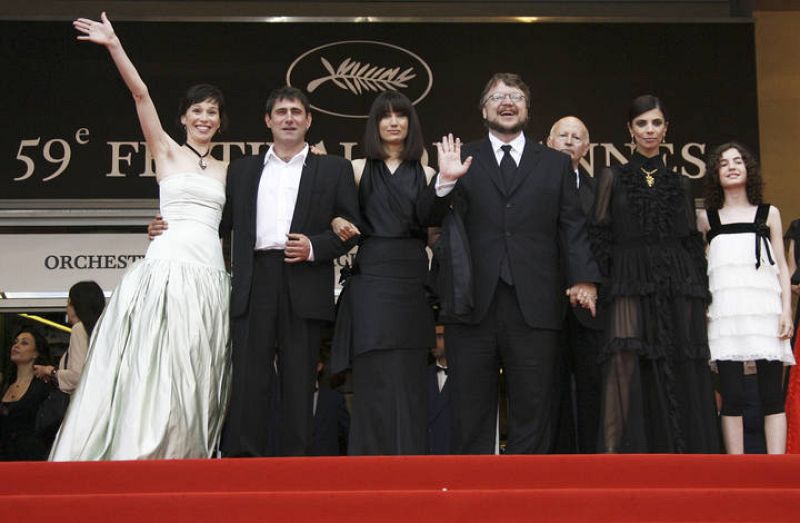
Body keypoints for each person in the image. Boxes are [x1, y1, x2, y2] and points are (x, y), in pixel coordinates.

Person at [50, 13, 231, 460]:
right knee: (153, 363)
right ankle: (136, 448)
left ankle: (185, 452)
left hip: (210, 273)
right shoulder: (165, 149)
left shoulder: (231, 171)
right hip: (167, 268)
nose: (204, 118)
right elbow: (140, 93)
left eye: (211, 112)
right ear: (183, 118)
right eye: (196, 111)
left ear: (220, 121)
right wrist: (114, 45)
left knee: (197, 366)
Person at [433, 73, 601, 454]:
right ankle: (474, 496)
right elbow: (427, 216)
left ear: (527, 109)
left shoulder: (555, 164)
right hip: (472, 302)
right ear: (484, 108)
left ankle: (528, 495)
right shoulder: (460, 157)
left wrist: (584, 279)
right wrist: (444, 182)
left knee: (535, 406)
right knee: (471, 406)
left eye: (516, 96)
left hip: (536, 303)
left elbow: (571, 227)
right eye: (497, 96)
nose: (507, 102)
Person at [215, 86, 359, 457]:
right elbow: (221, 225)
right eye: (281, 112)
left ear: (309, 120)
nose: (289, 118)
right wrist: (169, 222)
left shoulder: (334, 168)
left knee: (299, 379)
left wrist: (315, 247)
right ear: (268, 120)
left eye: (297, 112)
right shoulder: (243, 169)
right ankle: (244, 461)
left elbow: (352, 228)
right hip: (254, 278)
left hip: (304, 276)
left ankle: (296, 464)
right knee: (249, 377)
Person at [590, 95, 719, 453]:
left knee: (679, 359)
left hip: (678, 283)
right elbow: (599, 233)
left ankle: (684, 454)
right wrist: (612, 280)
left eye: (656, 123)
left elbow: (690, 240)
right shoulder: (611, 177)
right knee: (624, 360)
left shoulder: (679, 183)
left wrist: (700, 289)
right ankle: (614, 457)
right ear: (630, 130)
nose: (649, 130)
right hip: (628, 279)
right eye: (642, 124)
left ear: (666, 129)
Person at [330, 90, 438, 455]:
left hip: (412, 278)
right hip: (372, 275)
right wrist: (335, 218)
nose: (393, 122)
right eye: (385, 116)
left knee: (409, 377)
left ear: (411, 123)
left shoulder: (428, 173)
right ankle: (368, 464)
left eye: (401, 115)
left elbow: (436, 233)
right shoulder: (357, 169)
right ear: (375, 124)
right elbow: (338, 217)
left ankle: (411, 463)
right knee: (372, 374)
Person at [698, 142, 794, 454]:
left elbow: (781, 265)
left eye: (737, 161)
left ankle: (776, 467)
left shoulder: (770, 214)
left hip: (765, 310)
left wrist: (786, 313)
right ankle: (736, 469)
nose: (731, 166)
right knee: (733, 395)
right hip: (725, 314)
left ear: (748, 168)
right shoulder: (706, 219)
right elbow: (701, 269)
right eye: (723, 163)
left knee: (771, 396)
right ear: (715, 173)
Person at [546, 116, 604, 453]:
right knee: (549, 388)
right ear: (549, 142)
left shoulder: (600, 189)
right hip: (542, 302)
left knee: (592, 387)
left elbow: (607, 245)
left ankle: (594, 464)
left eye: (577, 137)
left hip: (590, 303)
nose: (569, 141)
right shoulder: (533, 184)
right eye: (563, 135)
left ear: (586, 147)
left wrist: (590, 281)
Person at [33, 281, 106, 394]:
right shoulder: (106, 330)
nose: (66, 308)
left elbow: (77, 376)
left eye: (68, 303)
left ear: (76, 305)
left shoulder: (79, 329)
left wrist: (50, 371)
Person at [0, 329, 52, 460]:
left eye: (24, 343)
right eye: (15, 342)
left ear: (35, 353)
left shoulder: (44, 387)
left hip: (30, 458)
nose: (16, 346)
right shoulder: (4, 386)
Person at [427, 325, 453, 454]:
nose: (434, 342)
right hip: (427, 452)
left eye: (440, 337)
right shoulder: (422, 375)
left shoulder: (463, 376)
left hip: (454, 453)